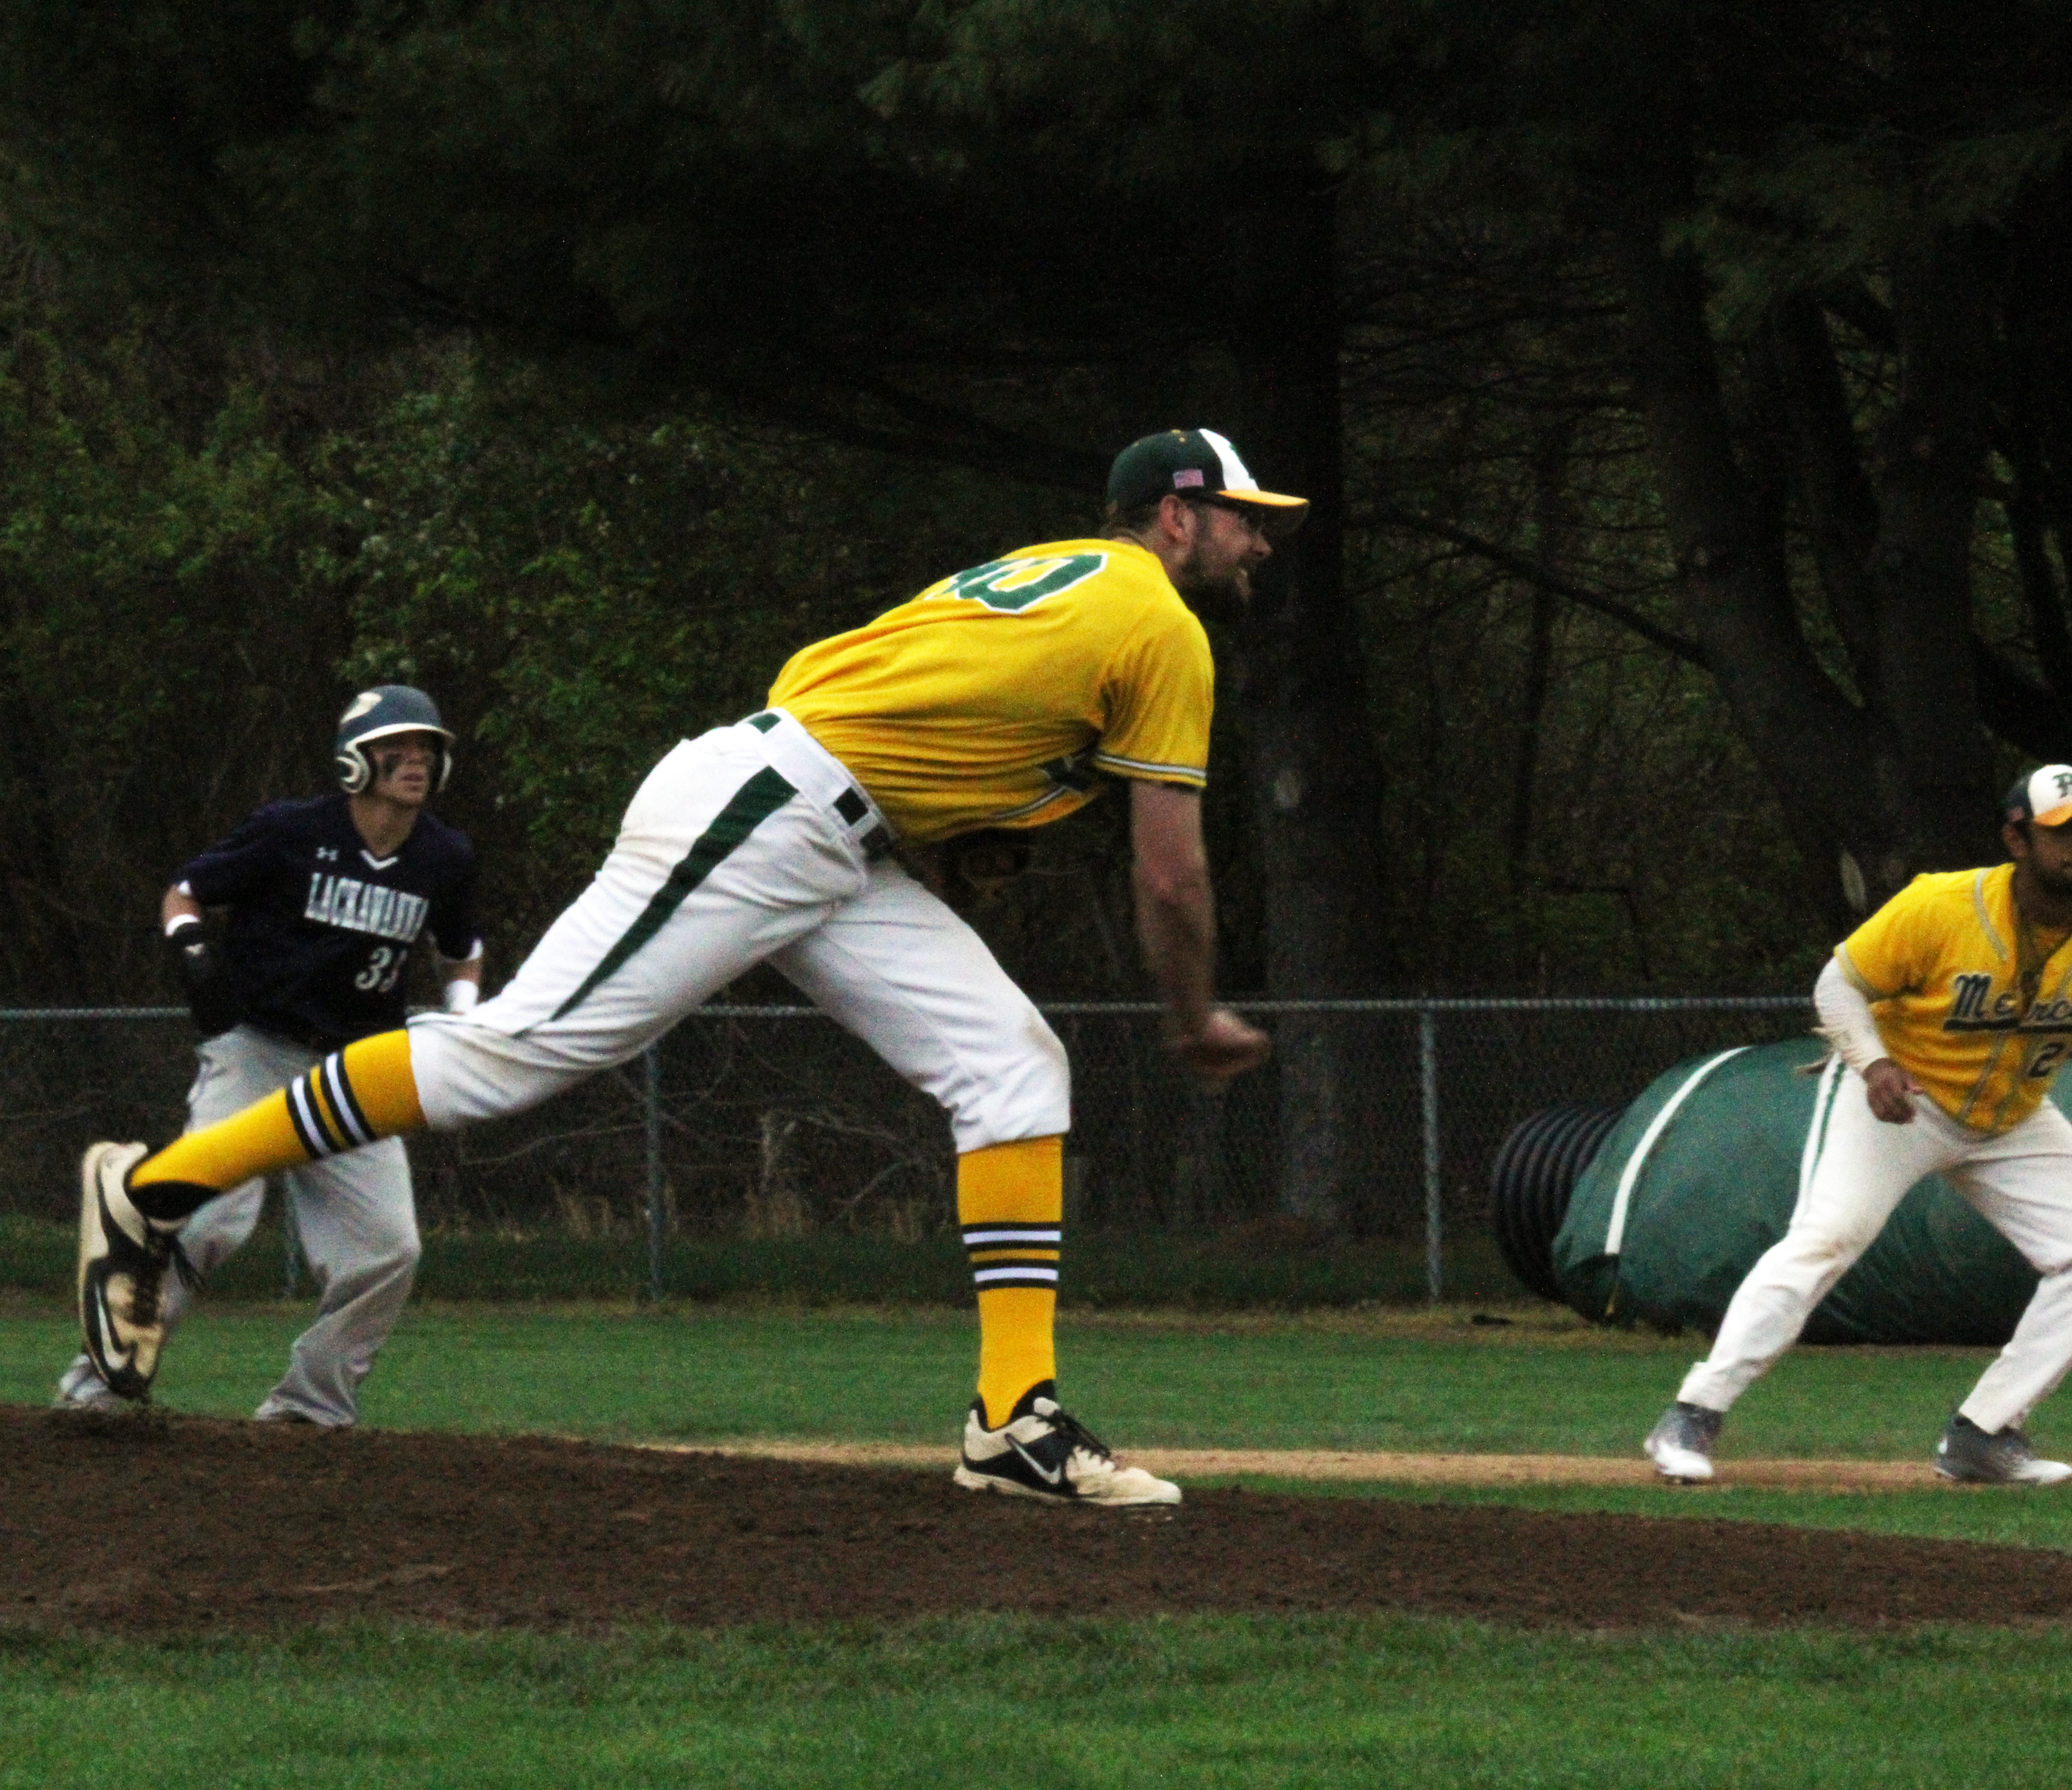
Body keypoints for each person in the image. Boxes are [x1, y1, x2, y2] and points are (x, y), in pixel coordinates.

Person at [77, 427, 1295, 1508]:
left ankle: (1014, 1423)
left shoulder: (1063, 579)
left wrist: (946, 820)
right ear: (1177, 515)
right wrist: (1192, 1020)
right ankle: (157, 1195)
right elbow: (1173, 880)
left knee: (1015, 1066)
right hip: (770, 817)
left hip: (828, 835)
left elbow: (873, 689)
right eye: (1246, 519)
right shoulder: (1161, 628)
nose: (1261, 545)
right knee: (508, 1057)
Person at [1644, 765, 2072, 1487]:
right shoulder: (1942, 906)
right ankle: (1694, 1412)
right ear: (2016, 837)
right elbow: (1839, 984)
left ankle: (1984, 1433)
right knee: (1827, 1239)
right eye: (2062, 830)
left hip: (2013, 1119)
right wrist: (1872, 1064)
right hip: (1905, 1100)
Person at [59, 686, 483, 1425]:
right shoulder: (291, 831)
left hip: (354, 1070)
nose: (417, 760)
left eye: (427, 750)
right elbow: (186, 891)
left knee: (387, 1249)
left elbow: (462, 949)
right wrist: (188, 945)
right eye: (399, 747)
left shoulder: (444, 856)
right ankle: (93, 1386)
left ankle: (308, 1409)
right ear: (357, 760)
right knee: (207, 1221)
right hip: (258, 1049)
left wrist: (464, 1014)